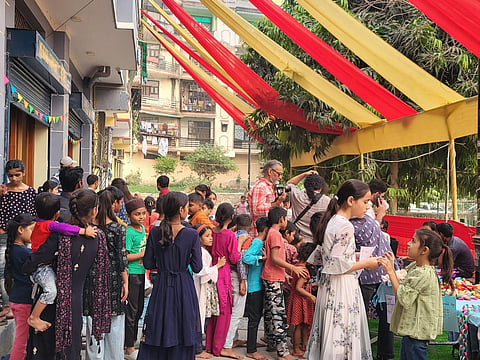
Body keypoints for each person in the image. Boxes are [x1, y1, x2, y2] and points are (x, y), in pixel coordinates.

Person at [23, 189, 111, 359]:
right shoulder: (98, 237)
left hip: (51, 304)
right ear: (94, 210)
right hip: (74, 305)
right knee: (71, 350)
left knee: (45, 350)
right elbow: (100, 278)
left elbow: (31, 262)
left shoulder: (59, 236)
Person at [306, 179, 380, 360]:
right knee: (341, 334)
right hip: (341, 287)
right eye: (365, 201)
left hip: (330, 285)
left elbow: (325, 257)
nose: (368, 206)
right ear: (350, 201)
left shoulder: (333, 220)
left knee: (333, 333)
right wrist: (366, 263)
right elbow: (337, 265)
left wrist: (354, 257)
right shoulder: (345, 225)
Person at [137, 192, 203, 360]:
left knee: (159, 326)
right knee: (183, 328)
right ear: (181, 210)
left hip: (162, 286)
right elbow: (197, 267)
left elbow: (148, 264)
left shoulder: (155, 232)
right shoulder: (191, 234)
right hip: (184, 286)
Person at [378, 229, 454, 360]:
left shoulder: (423, 273)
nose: (408, 243)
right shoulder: (416, 267)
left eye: (413, 241)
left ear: (424, 250)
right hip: (412, 331)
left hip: (417, 333)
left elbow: (404, 297)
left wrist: (391, 271)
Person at [28, 192, 97, 332]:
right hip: (41, 268)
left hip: (41, 265)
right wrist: (84, 231)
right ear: (56, 213)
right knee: (51, 291)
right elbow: (65, 228)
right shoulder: (50, 226)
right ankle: (34, 317)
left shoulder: (38, 223)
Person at [85, 189, 128, 360]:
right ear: (112, 204)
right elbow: (121, 258)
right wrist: (125, 282)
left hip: (92, 279)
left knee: (93, 322)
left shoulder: (87, 228)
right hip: (113, 280)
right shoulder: (117, 228)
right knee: (115, 324)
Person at [262, 206, 308, 360]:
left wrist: (285, 274)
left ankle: (271, 342)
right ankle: (282, 352)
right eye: (285, 219)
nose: (286, 221)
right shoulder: (275, 235)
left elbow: (271, 258)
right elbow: (274, 258)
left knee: (270, 312)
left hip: (274, 275)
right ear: (281, 220)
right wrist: (292, 268)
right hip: (273, 277)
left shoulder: (272, 233)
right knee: (278, 314)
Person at [205, 203, 243, 358]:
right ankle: (219, 347)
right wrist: (239, 244)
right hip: (223, 272)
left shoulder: (212, 232)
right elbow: (234, 257)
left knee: (213, 311)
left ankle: (209, 344)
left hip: (212, 269)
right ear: (231, 218)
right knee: (223, 311)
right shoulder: (229, 235)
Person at [0, 160, 36, 319]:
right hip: (4, 236)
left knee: (25, 270)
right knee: (3, 270)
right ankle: (8, 304)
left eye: (17, 175)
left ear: (24, 173)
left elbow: (34, 216)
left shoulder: (30, 192)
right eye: (10, 176)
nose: (14, 179)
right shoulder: (3, 192)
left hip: (26, 237)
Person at [192, 224, 226, 359]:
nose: (210, 238)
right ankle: (197, 349)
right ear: (199, 238)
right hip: (200, 286)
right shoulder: (201, 252)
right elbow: (201, 271)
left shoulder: (203, 252)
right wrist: (217, 266)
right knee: (199, 317)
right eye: (207, 236)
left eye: (211, 235)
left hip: (203, 286)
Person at [4, 214, 36, 360]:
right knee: (21, 341)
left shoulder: (15, 250)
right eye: (31, 229)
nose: (33, 233)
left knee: (22, 338)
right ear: (20, 230)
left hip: (17, 298)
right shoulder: (23, 252)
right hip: (23, 301)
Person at [223, 214, 252, 358]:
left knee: (232, 309)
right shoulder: (244, 238)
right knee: (237, 312)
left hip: (229, 274)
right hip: (238, 275)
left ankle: (233, 338)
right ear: (251, 226)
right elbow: (240, 259)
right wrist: (243, 280)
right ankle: (227, 344)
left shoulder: (231, 234)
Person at [124, 198, 147, 359]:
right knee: (132, 311)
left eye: (143, 213)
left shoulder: (143, 229)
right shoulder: (129, 231)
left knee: (139, 308)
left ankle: (132, 339)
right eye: (137, 214)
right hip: (131, 273)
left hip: (141, 272)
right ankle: (129, 346)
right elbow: (126, 256)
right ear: (128, 215)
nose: (141, 217)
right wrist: (143, 254)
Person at [243, 217, 269, 360]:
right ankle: (251, 349)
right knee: (254, 319)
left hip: (257, 285)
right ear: (266, 229)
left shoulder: (259, 242)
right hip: (254, 286)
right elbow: (246, 257)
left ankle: (251, 345)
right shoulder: (258, 242)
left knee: (256, 317)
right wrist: (260, 258)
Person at [287, 243, 317, 358]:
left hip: (298, 299)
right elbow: (298, 287)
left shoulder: (297, 266)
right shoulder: (304, 270)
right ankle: (296, 348)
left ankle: (304, 345)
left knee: (304, 324)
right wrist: (310, 296)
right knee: (299, 325)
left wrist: (310, 285)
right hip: (301, 300)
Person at [287, 172, 331, 243]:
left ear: (305, 185)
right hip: (315, 241)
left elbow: (289, 183)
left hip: (296, 240)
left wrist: (304, 174)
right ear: (320, 188)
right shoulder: (327, 201)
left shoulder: (297, 195)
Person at [248, 160, 287, 235]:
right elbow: (256, 210)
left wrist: (278, 203)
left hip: (267, 232)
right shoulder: (261, 187)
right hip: (259, 233)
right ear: (270, 172)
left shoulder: (269, 187)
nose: (280, 177)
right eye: (279, 174)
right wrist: (276, 204)